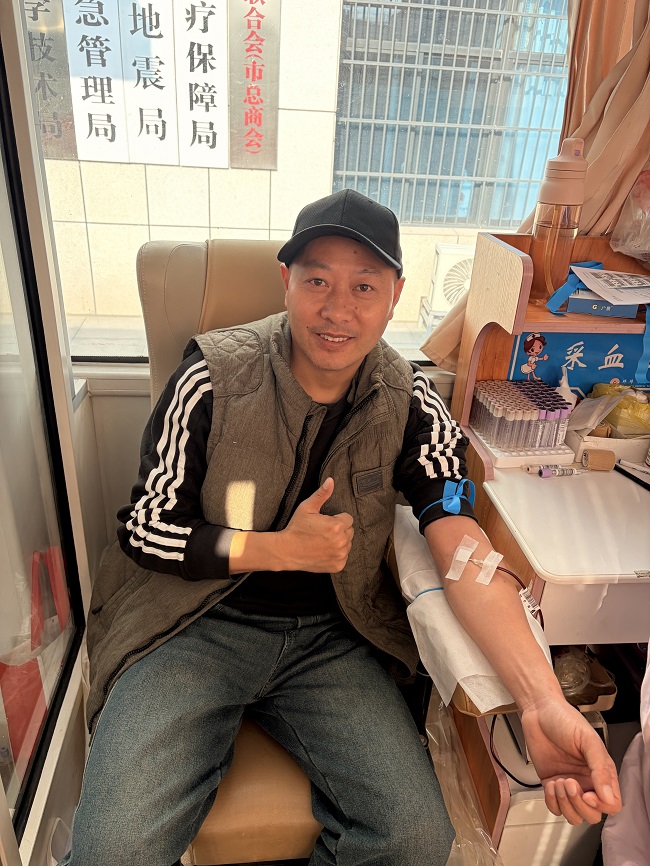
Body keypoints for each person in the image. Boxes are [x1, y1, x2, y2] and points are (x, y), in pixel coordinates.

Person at [62, 190, 620, 866]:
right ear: (286, 282)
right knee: (113, 850)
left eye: (364, 286)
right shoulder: (210, 376)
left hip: (331, 639)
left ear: (395, 296)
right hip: (191, 626)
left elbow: (462, 548)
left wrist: (540, 702)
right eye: (317, 281)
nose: (337, 308)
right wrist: (272, 550)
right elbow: (146, 528)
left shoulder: (412, 401)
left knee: (415, 840)